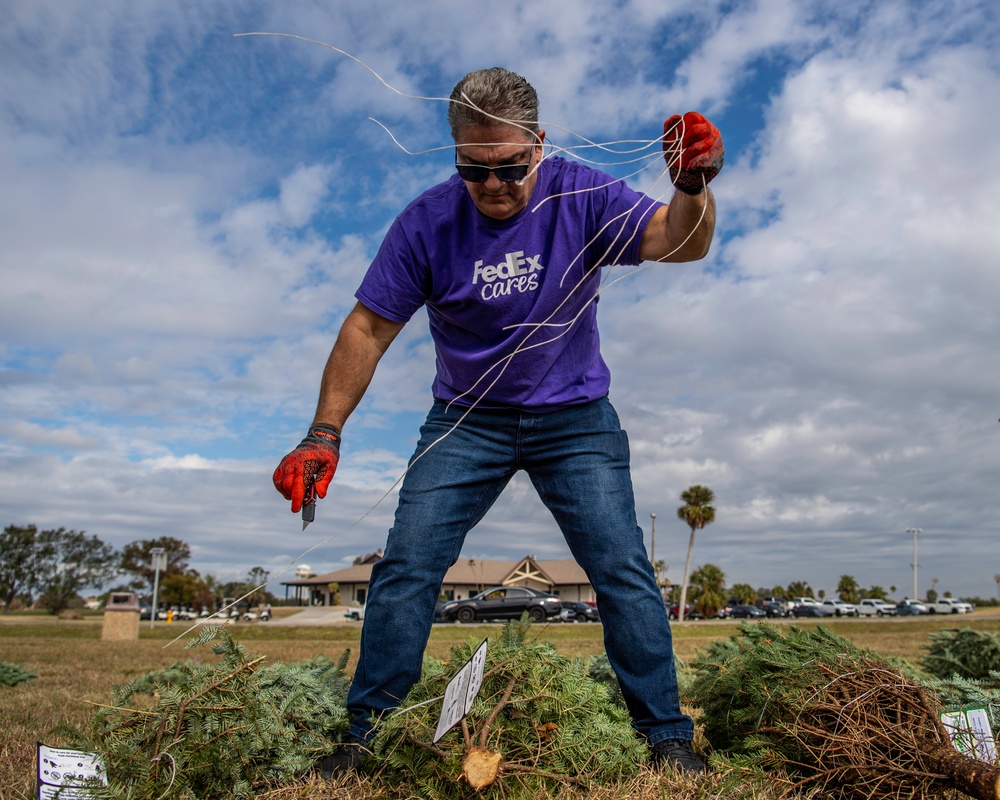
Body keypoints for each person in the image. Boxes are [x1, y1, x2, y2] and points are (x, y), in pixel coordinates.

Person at [273, 67, 723, 776]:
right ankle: (367, 735)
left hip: (575, 417)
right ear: (456, 155)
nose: (494, 187)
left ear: (539, 145)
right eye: (474, 172)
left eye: (511, 168)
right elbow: (367, 328)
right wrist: (322, 432)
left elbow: (679, 240)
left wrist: (693, 186)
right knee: (408, 564)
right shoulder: (426, 223)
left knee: (621, 568)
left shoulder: (583, 193)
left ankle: (666, 735)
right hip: (465, 422)